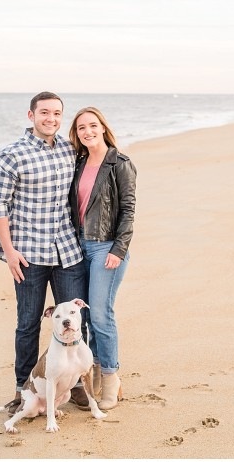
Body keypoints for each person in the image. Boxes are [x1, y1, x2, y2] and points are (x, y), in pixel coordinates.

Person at [0, 91, 90, 414]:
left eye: (57, 113)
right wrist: (9, 252)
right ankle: (23, 388)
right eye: (44, 113)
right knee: (29, 324)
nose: (51, 119)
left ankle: (74, 386)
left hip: (67, 251)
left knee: (75, 321)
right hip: (28, 255)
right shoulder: (10, 155)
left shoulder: (70, 151)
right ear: (31, 116)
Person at [68, 106, 136, 410]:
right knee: (82, 317)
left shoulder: (120, 163)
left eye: (92, 126)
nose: (88, 132)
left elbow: (128, 210)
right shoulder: (78, 162)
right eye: (82, 128)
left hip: (106, 247)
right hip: (78, 247)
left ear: (103, 127)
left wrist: (118, 250)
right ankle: (91, 374)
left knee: (100, 315)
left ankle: (111, 378)